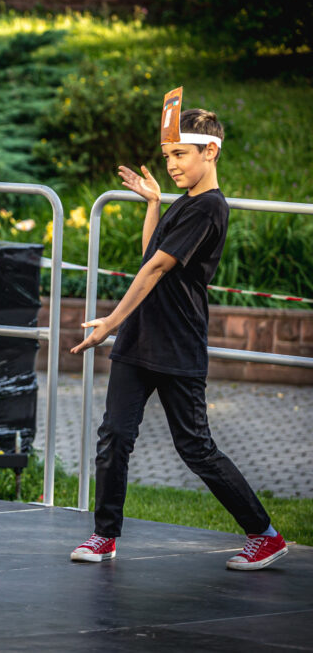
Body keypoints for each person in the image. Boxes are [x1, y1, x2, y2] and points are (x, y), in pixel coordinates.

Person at [69, 87, 287, 571]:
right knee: (114, 437)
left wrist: (110, 321)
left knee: (195, 447)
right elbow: (150, 258)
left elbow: (154, 272)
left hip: (177, 345)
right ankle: (105, 535)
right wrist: (153, 204)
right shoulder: (183, 201)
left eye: (181, 154)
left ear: (211, 151)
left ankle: (265, 535)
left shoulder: (209, 207)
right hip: (139, 341)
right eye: (168, 155)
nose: (171, 164)